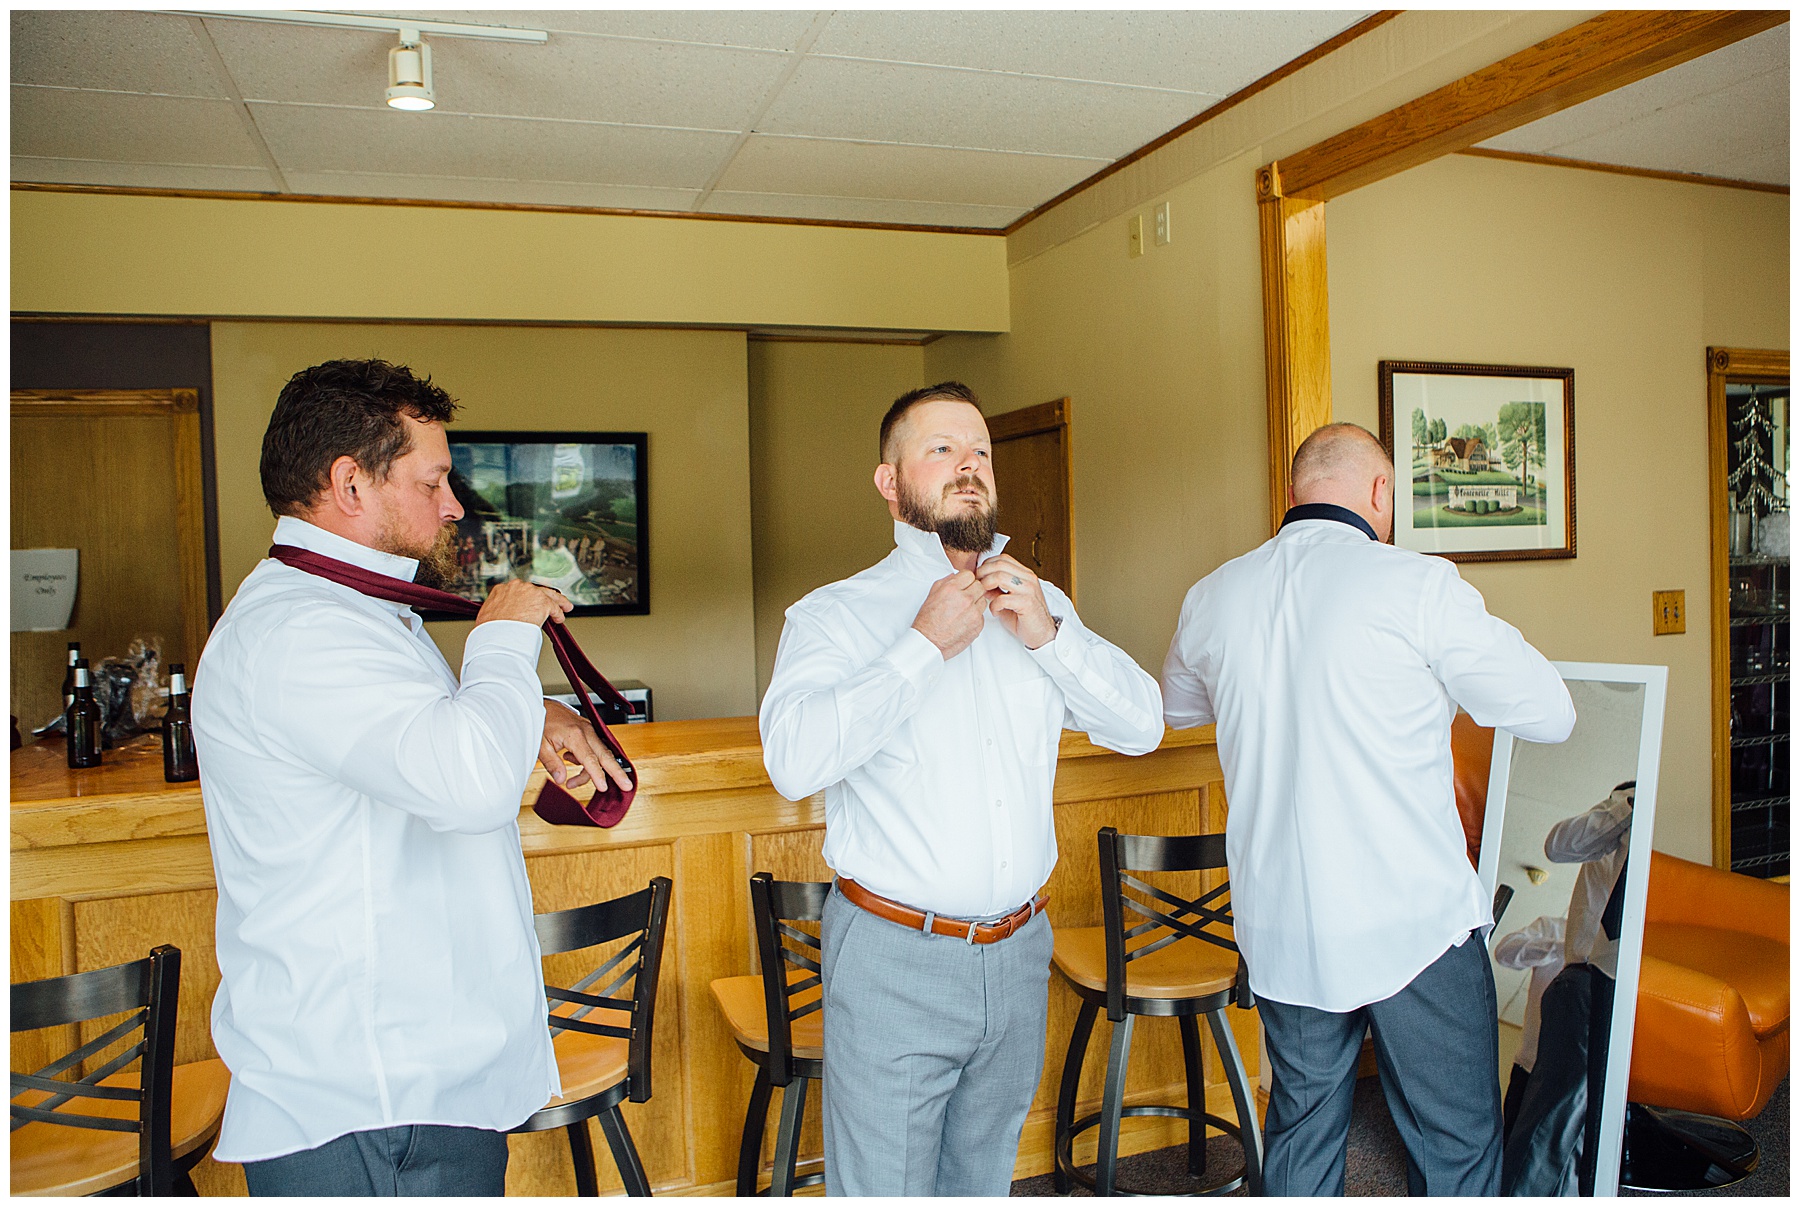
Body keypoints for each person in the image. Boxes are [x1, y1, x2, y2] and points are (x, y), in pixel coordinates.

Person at [193, 358, 633, 1196]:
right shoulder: (302, 629)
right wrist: (504, 637)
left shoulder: (345, 612)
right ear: (349, 482)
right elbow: (465, 788)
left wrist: (525, 713)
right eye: (433, 480)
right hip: (371, 1100)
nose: (454, 504)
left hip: (401, 1084)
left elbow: (403, 744)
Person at [760, 381, 1164, 1195]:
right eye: (941, 449)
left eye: (979, 450)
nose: (968, 465)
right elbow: (793, 761)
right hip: (892, 957)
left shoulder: (1040, 604)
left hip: (1018, 954)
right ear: (890, 482)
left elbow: (1142, 725)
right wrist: (920, 647)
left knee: (981, 1185)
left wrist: (1050, 638)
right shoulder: (835, 615)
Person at [1160, 422, 1575, 1196]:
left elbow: (1177, 710)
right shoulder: (1418, 586)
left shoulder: (1213, 595)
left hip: (1283, 926)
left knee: (1301, 1128)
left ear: (1291, 493)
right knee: (1454, 1140)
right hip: (1410, 926)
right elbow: (1551, 712)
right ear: (1382, 493)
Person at [1501, 783, 1634, 1196]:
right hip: (1581, 996)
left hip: (1625, 996)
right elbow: (1507, 952)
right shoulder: (1630, 810)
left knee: (1580, 1148)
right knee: (1541, 1141)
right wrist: (1630, 803)